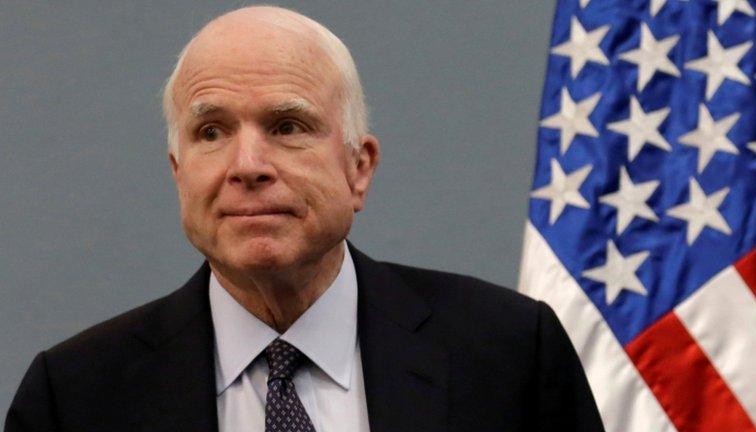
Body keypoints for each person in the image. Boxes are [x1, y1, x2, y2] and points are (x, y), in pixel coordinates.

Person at [5, 6, 604, 432]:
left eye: (287, 126)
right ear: (178, 172)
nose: (248, 165)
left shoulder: (510, 353)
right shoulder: (75, 398)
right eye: (211, 132)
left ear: (358, 168)